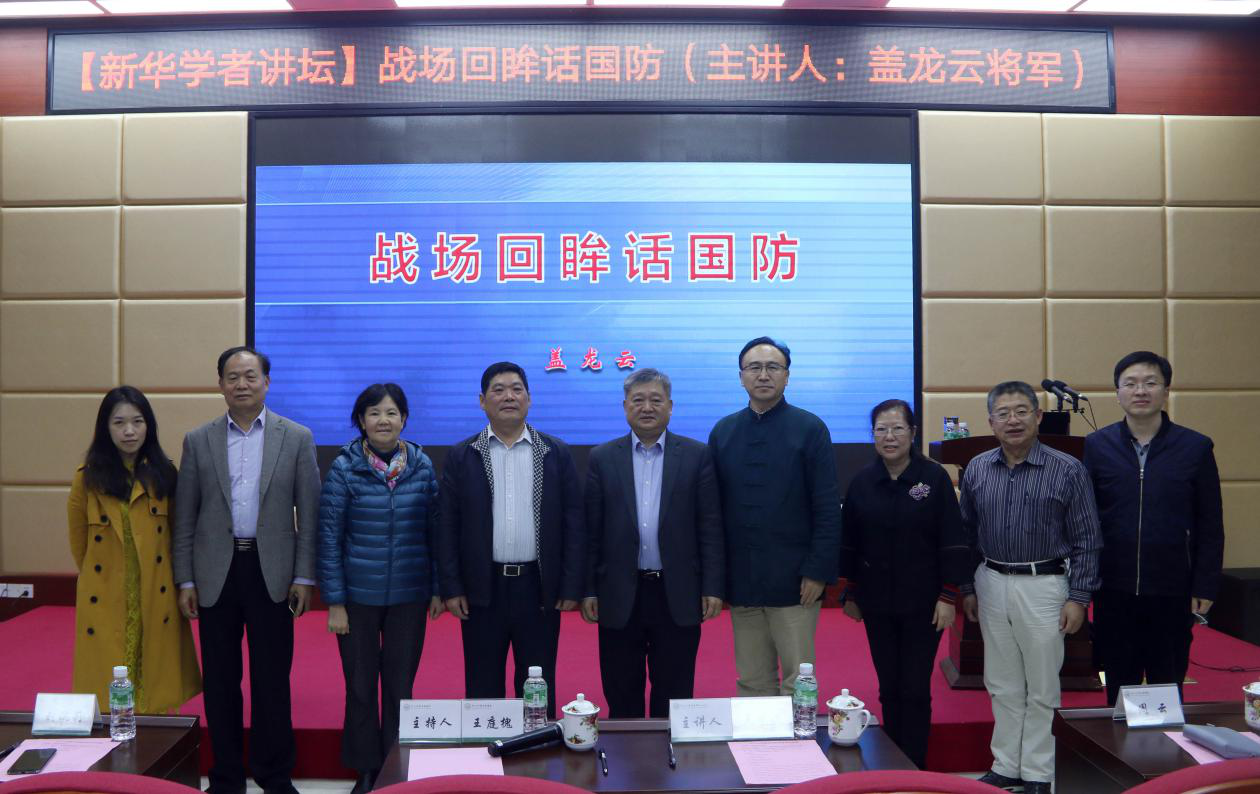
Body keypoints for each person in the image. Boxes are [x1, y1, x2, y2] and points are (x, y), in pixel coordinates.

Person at [172, 346, 320, 794]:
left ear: (266, 383)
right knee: (221, 681)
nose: (242, 384)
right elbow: (184, 516)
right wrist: (186, 579)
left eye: (250, 376)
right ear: (220, 384)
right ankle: (226, 777)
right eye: (232, 377)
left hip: (271, 570)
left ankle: (274, 776)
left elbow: (309, 513)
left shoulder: (296, 437)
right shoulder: (198, 440)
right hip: (215, 572)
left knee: (272, 680)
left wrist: (304, 576)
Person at [959, 381, 1102, 794]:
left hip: (1045, 585)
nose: (1013, 420)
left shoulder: (1067, 469)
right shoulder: (977, 468)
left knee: (1041, 684)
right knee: (1001, 682)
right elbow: (966, 534)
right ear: (991, 422)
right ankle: (1006, 765)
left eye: (1022, 411)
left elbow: (1088, 539)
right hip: (990, 582)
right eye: (1003, 413)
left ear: (1038, 416)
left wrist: (1079, 597)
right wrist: (967, 587)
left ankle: (1038, 771)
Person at [435, 362, 584, 717]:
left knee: (537, 685)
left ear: (529, 399)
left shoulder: (555, 452)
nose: (509, 397)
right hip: (482, 589)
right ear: (482, 400)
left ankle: (535, 749)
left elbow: (574, 523)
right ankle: (486, 751)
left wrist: (570, 585)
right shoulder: (462, 455)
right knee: (482, 684)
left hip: (538, 588)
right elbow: (447, 526)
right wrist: (452, 587)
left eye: (517, 389)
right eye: (498, 390)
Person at [317, 383, 444, 794]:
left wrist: (437, 588)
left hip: (410, 595)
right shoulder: (344, 468)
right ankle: (365, 770)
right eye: (374, 413)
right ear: (361, 421)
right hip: (358, 599)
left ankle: (395, 768)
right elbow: (329, 538)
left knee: (400, 688)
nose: (383, 420)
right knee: (360, 687)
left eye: (391, 412)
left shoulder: (422, 466)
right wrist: (335, 602)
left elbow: (436, 534)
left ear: (404, 419)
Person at [581, 368, 725, 718]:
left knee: (674, 693)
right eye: (638, 400)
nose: (647, 407)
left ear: (670, 406)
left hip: (676, 591)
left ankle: (668, 751)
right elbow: (591, 531)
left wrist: (712, 586)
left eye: (656, 400)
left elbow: (709, 526)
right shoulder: (602, 457)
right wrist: (588, 589)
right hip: (619, 592)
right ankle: (624, 751)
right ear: (625, 406)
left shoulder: (696, 455)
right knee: (621, 690)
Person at [1084, 351, 1223, 707]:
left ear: (1166, 391)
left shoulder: (1195, 447)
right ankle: (1121, 742)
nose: (1140, 391)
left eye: (1150, 383)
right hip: (1113, 587)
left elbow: (1210, 523)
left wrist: (1205, 584)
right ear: (1117, 393)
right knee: (1119, 681)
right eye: (1130, 384)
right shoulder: (1097, 447)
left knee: (1167, 679)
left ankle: (1166, 743)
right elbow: (1085, 520)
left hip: (1172, 588)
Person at [837, 398, 970, 769]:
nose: (889, 436)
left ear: (912, 433)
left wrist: (949, 595)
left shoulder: (933, 479)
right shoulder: (863, 482)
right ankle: (892, 761)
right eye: (881, 429)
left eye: (897, 428)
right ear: (873, 435)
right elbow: (850, 541)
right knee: (889, 687)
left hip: (924, 604)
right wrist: (851, 592)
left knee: (914, 688)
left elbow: (952, 537)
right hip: (877, 602)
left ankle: (915, 765)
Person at [708, 336, 842, 696]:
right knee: (752, 681)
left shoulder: (810, 428)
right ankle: (758, 737)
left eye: (773, 367)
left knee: (799, 680)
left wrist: (817, 571)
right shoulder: (723, 432)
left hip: (796, 582)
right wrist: (717, 579)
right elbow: (713, 513)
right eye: (754, 367)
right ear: (741, 376)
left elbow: (827, 507)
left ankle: (799, 737)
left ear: (787, 375)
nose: (763, 375)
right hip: (743, 580)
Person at [68, 386, 201, 714]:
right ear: (105, 428)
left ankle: (152, 727)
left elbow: (178, 534)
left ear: (148, 426)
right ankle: (114, 731)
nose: (129, 431)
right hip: (106, 591)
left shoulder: (165, 474)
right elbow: (79, 543)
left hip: (155, 589)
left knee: (153, 671)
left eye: (137, 422)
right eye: (119, 423)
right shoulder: (87, 479)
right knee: (109, 673)